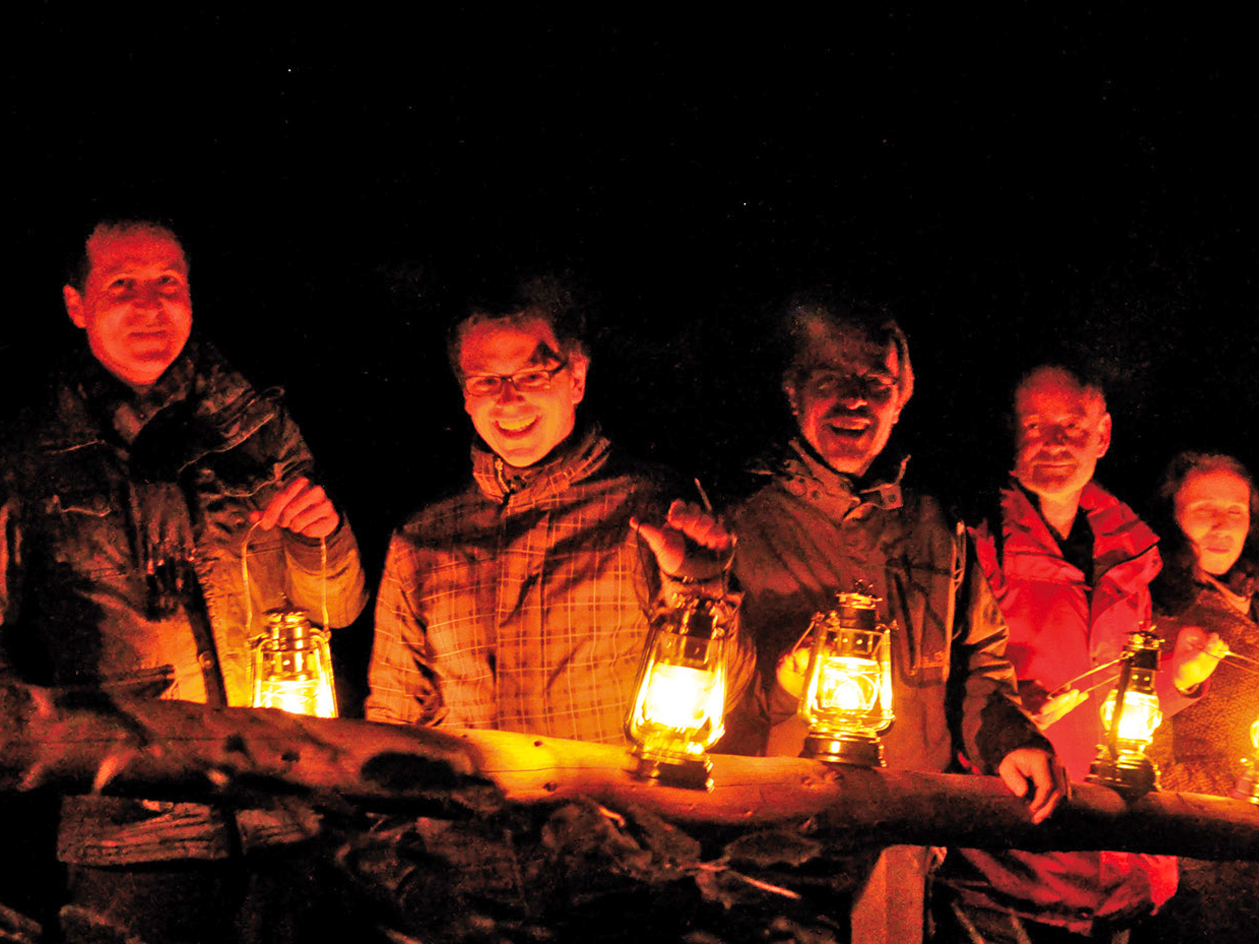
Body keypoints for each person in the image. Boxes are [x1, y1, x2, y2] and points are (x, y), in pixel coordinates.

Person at [0, 220, 368, 944]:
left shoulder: (258, 428)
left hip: (282, 806)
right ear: (76, 305)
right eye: (122, 286)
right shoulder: (29, 453)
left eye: (168, 283)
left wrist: (321, 539)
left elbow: (337, 609)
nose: (149, 306)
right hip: (129, 827)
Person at [731, 291, 1065, 944]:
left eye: (874, 384)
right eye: (831, 381)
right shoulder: (739, 523)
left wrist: (1010, 740)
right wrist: (781, 689)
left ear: (900, 400)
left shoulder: (937, 528)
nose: (854, 400)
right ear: (792, 392)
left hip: (905, 842)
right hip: (772, 853)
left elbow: (978, 669)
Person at [366, 275, 752, 744]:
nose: (509, 399)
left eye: (532, 375)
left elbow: (727, 691)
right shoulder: (423, 538)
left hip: (614, 810)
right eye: (487, 380)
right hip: (470, 812)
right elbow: (392, 717)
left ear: (577, 378)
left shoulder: (650, 510)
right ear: (465, 394)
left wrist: (700, 588)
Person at [934, 366, 1220, 944]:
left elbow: (1115, 701)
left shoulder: (1131, 546)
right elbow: (940, 684)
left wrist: (1176, 678)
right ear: (1009, 431)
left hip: (1118, 865)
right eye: (1034, 424)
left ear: (1103, 433)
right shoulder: (968, 538)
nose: (1054, 442)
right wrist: (1007, 724)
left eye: (1072, 424)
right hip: (1008, 867)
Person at [1145, 452, 1259, 942]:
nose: (1221, 523)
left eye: (1235, 511)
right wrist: (1233, 786)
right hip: (1194, 857)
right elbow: (1137, 750)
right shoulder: (1157, 609)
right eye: (1203, 509)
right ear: (1172, 517)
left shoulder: (1247, 602)